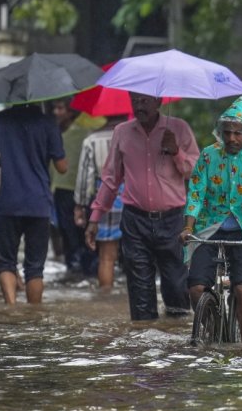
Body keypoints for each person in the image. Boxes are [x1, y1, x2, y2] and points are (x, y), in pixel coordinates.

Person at [85, 92, 200, 320]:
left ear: (158, 102)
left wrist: (176, 151)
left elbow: (196, 173)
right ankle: (140, 348)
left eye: (145, 100)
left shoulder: (179, 128)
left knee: (177, 291)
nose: (139, 105)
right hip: (135, 220)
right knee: (140, 293)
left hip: (172, 220)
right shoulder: (122, 132)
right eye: (135, 100)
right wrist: (95, 218)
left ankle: (176, 349)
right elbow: (111, 178)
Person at [180, 96, 242, 345]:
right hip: (209, 229)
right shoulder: (209, 155)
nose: (232, 138)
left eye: (238, 133)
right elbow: (196, 192)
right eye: (227, 133)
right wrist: (188, 227)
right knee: (196, 288)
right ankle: (211, 326)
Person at [0, 103, 67, 304]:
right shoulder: (48, 122)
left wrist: (6, 160)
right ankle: (34, 313)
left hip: (9, 202)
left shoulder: (1, 119)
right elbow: (62, 167)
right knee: (35, 267)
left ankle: (11, 308)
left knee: (6, 262)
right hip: (38, 203)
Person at [74, 114, 126, 290]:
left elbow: (84, 177)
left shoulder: (92, 140)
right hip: (134, 197)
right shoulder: (136, 135)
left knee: (106, 257)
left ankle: (106, 297)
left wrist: (80, 204)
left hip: (104, 197)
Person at [52, 98, 93, 276]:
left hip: (81, 191)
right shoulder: (53, 133)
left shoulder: (83, 133)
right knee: (65, 232)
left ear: (70, 112)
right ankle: (72, 268)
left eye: (60, 108)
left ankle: (86, 269)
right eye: (55, 108)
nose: (56, 112)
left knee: (82, 232)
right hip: (60, 190)